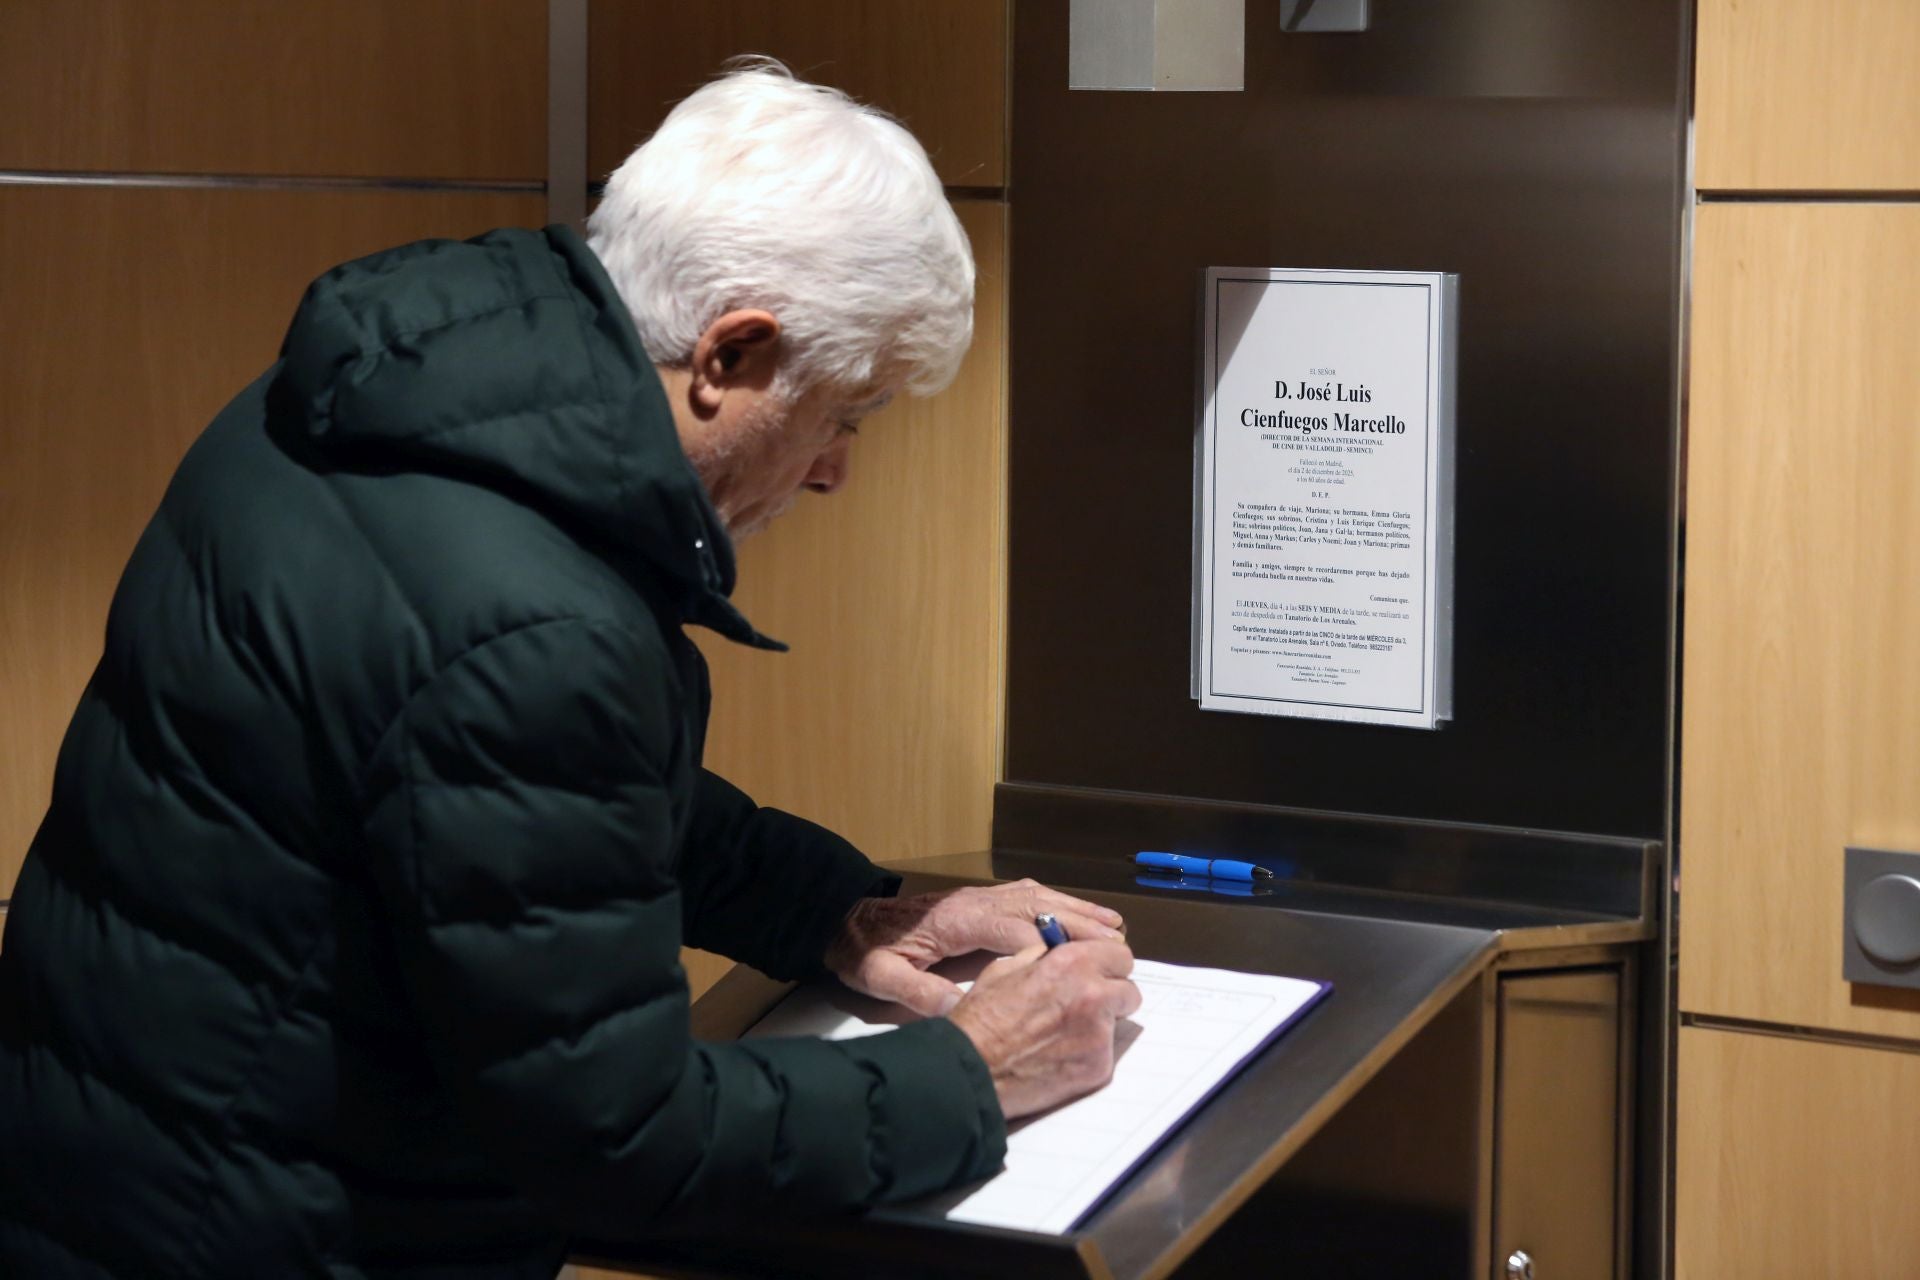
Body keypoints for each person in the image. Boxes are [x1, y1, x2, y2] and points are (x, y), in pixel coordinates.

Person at [0, 61, 1141, 1279]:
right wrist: (974, 1070)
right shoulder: (533, 619)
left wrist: (839, 909)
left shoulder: (352, 401)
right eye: (845, 410)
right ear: (731, 353)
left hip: (107, 1179)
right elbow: (625, 1137)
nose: (834, 470)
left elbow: (491, 796)